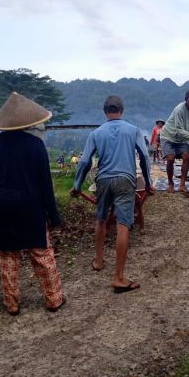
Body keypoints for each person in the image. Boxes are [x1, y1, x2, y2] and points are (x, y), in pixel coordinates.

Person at [0, 92, 66, 315]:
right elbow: (45, 184)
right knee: (41, 253)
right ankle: (54, 299)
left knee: (7, 256)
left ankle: (11, 303)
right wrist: (53, 215)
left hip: (1, 205)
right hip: (30, 205)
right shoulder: (35, 145)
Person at [70, 95, 154, 293]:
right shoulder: (133, 130)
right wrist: (149, 183)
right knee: (123, 225)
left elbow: (84, 161)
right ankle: (118, 277)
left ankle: (98, 261)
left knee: (101, 219)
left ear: (105, 111)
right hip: (125, 180)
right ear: (122, 111)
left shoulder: (96, 133)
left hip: (104, 180)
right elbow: (144, 157)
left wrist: (77, 184)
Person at [159, 88, 189, 194]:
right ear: (186, 99)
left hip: (182, 139)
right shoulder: (179, 109)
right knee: (171, 159)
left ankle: (182, 185)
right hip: (168, 136)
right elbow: (179, 130)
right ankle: (170, 183)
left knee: (186, 157)